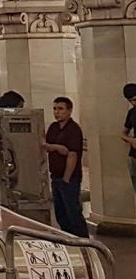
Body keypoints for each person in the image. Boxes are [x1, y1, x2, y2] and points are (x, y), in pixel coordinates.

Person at [42, 97, 88, 237]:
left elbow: (72, 154)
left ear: (69, 110)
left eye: (60, 109)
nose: (57, 112)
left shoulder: (73, 129)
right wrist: (57, 147)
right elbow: (45, 145)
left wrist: (66, 178)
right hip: (55, 175)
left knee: (73, 212)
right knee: (60, 213)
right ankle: (68, 239)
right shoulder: (54, 127)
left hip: (69, 177)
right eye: (55, 109)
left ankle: (83, 241)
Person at [122, 83, 136, 197]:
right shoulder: (132, 112)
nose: (134, 103)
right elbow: (123, 133)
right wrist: (131, 140)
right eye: (131, 101)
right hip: (133, 156)